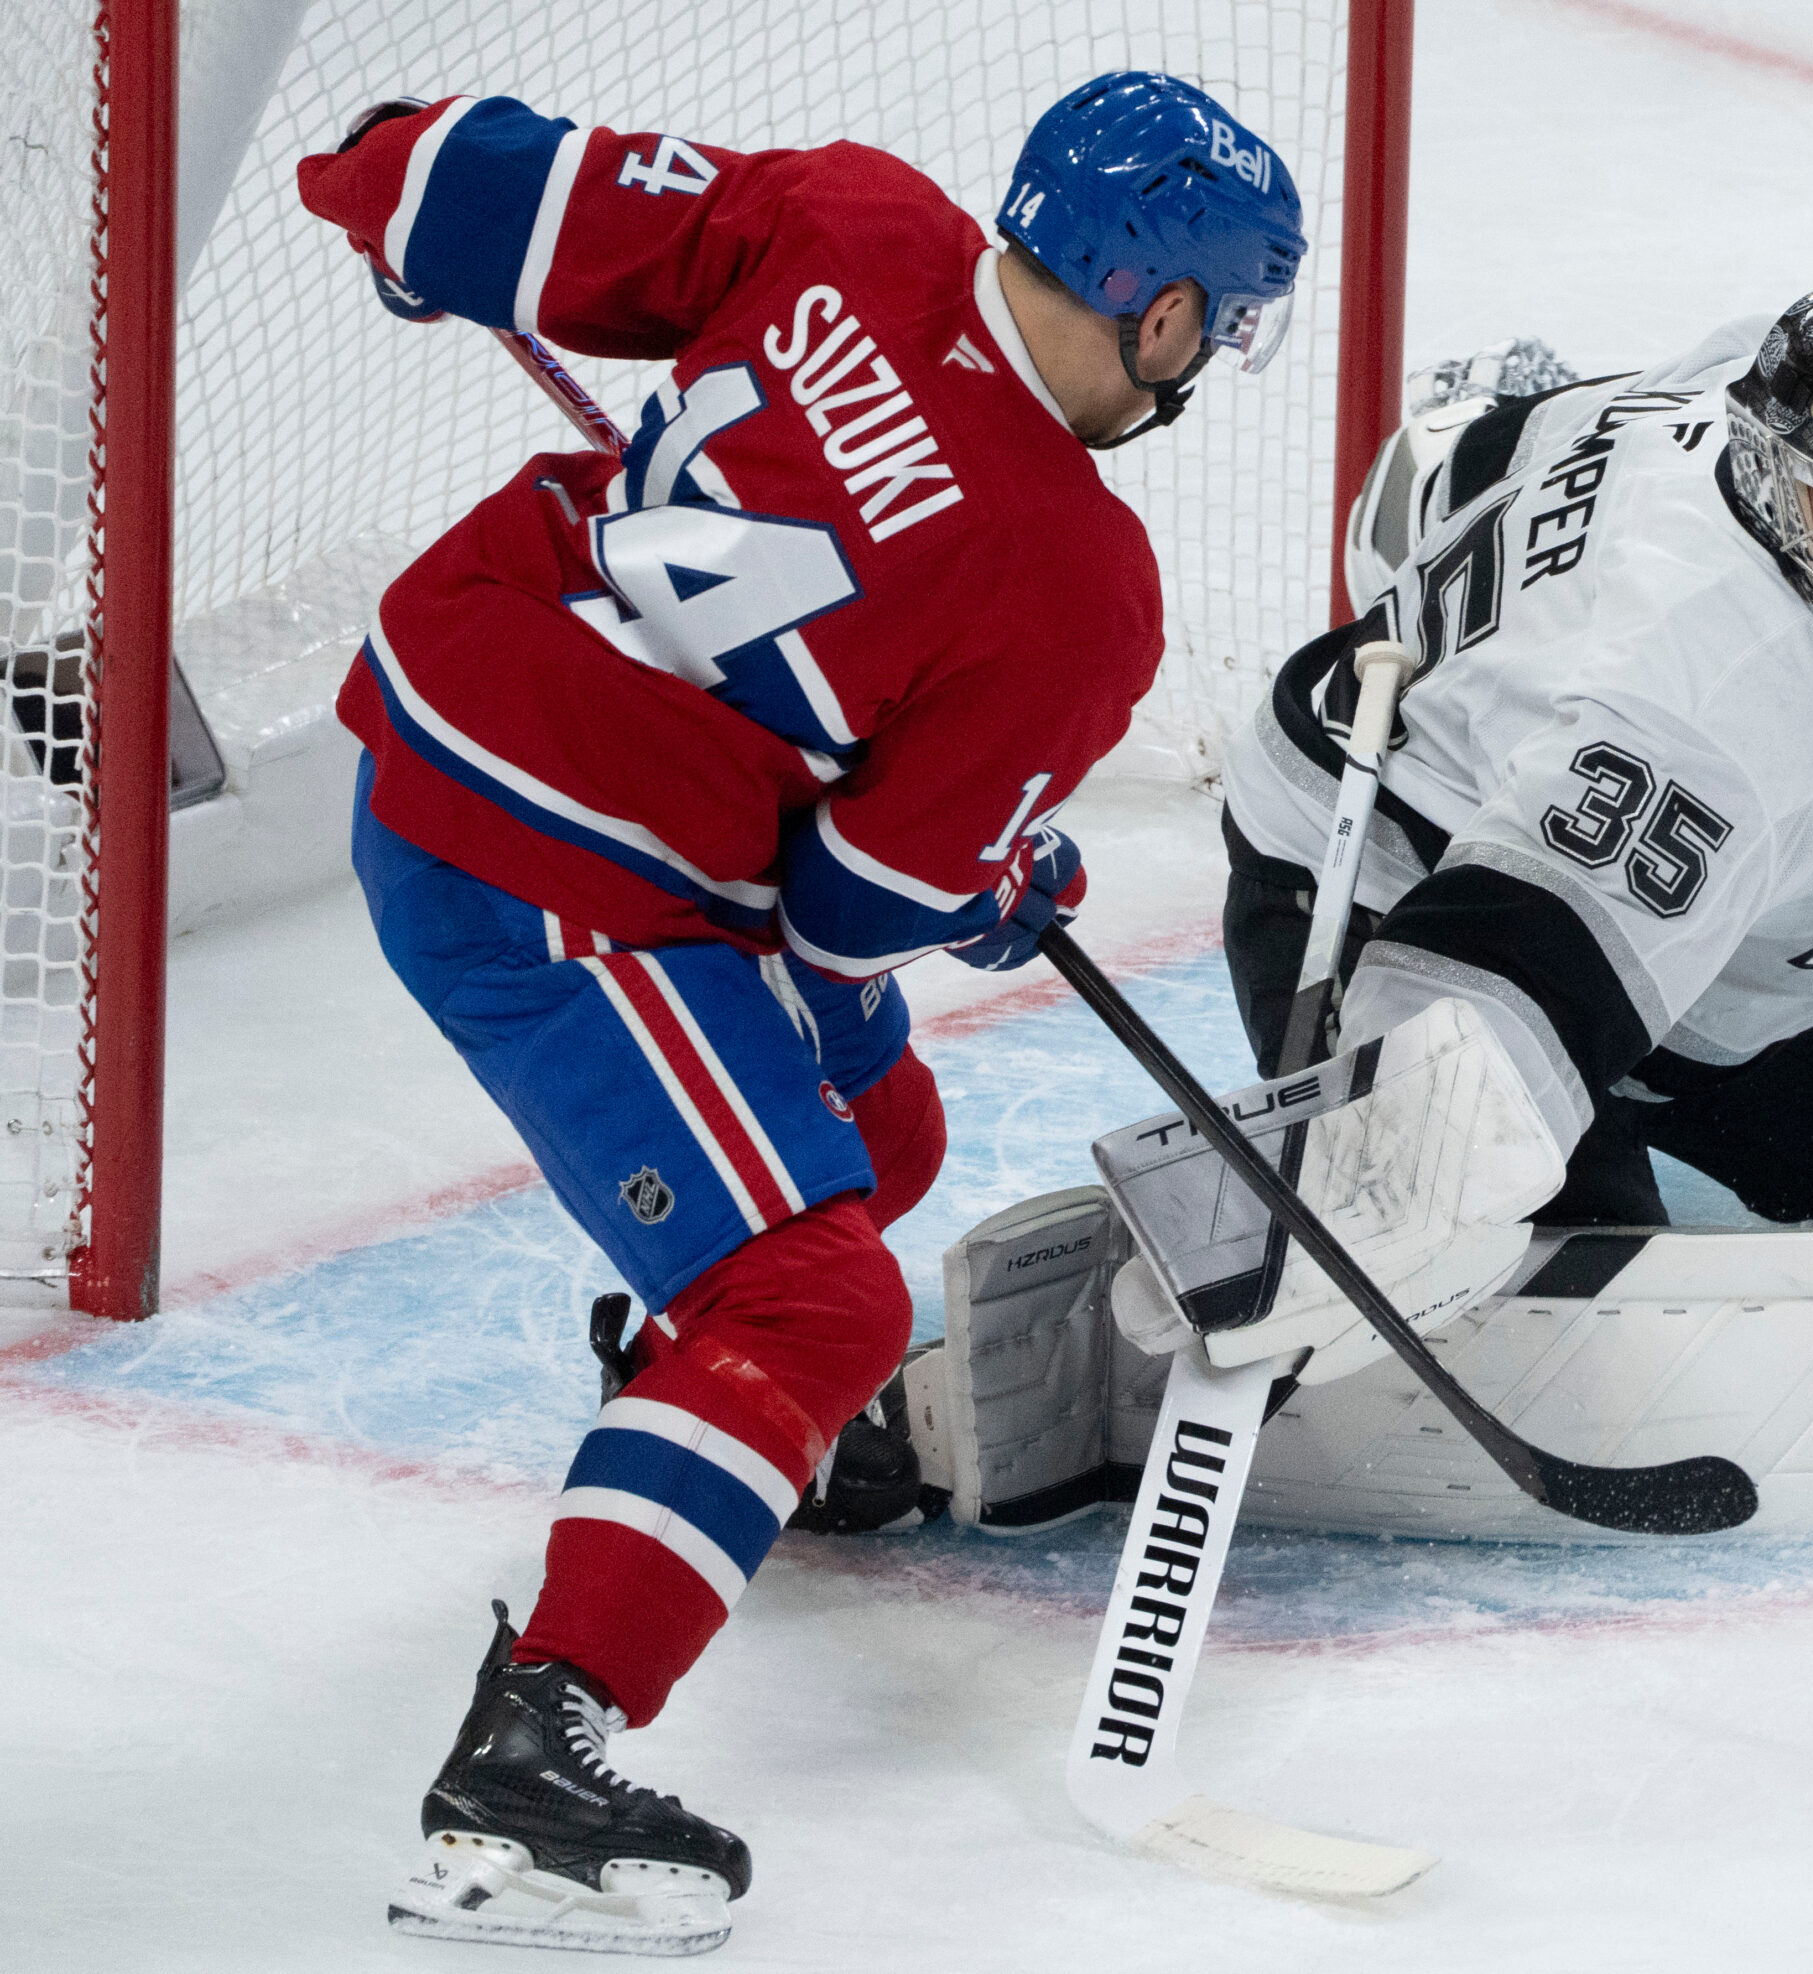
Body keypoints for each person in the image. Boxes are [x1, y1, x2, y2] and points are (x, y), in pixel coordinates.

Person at [296, 71, 1303, 1951]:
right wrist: (997, 881)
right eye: (1215, 331)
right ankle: (532, 1758)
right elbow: (851, 915)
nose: (1196, 370)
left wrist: (386, 182)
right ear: (1161, 312)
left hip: (472, 690)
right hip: (561, 866)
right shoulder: (1078, 583)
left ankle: (693, 1417)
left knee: (885, 1134)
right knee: (815, 1289)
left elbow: (471, 191)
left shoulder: (853, 214)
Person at [1218, 281, 1813, 1239]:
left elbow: (1482, 451)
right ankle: (1592, 1131)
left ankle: (1640, 1086)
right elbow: (1497, 970)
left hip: (1685, 920)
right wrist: (1384, 1182)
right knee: (1563, 1285)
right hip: (1390, 870)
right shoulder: (1703, 694)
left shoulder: (1735, 373)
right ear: (1771, 471)